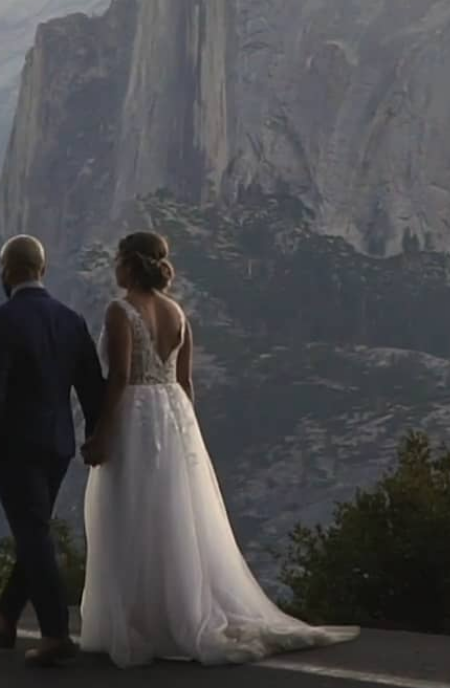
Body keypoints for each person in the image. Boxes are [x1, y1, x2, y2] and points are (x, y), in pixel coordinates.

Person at [77, 230, 361, 667]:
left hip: (135, 416)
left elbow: (119, 377)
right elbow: (185, 380)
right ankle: (177, 611)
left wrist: (101, 432)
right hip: (174, 414)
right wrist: (184, 429)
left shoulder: (121, 311)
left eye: (117, 260)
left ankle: (139, 620)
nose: (113, 267)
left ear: (129, 264)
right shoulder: (177, 312)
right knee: (174, 514)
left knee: (129, 513)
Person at [0, 233, 107, 667]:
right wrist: (94, 436)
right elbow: (93, 388)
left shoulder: (1, 319)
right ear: (42, 270)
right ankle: (5, 616)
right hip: (59, 444)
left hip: (14, 445)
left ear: (7, 270)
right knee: (35, 530)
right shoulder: (72, 320)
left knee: (32, 533)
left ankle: (55, 633)